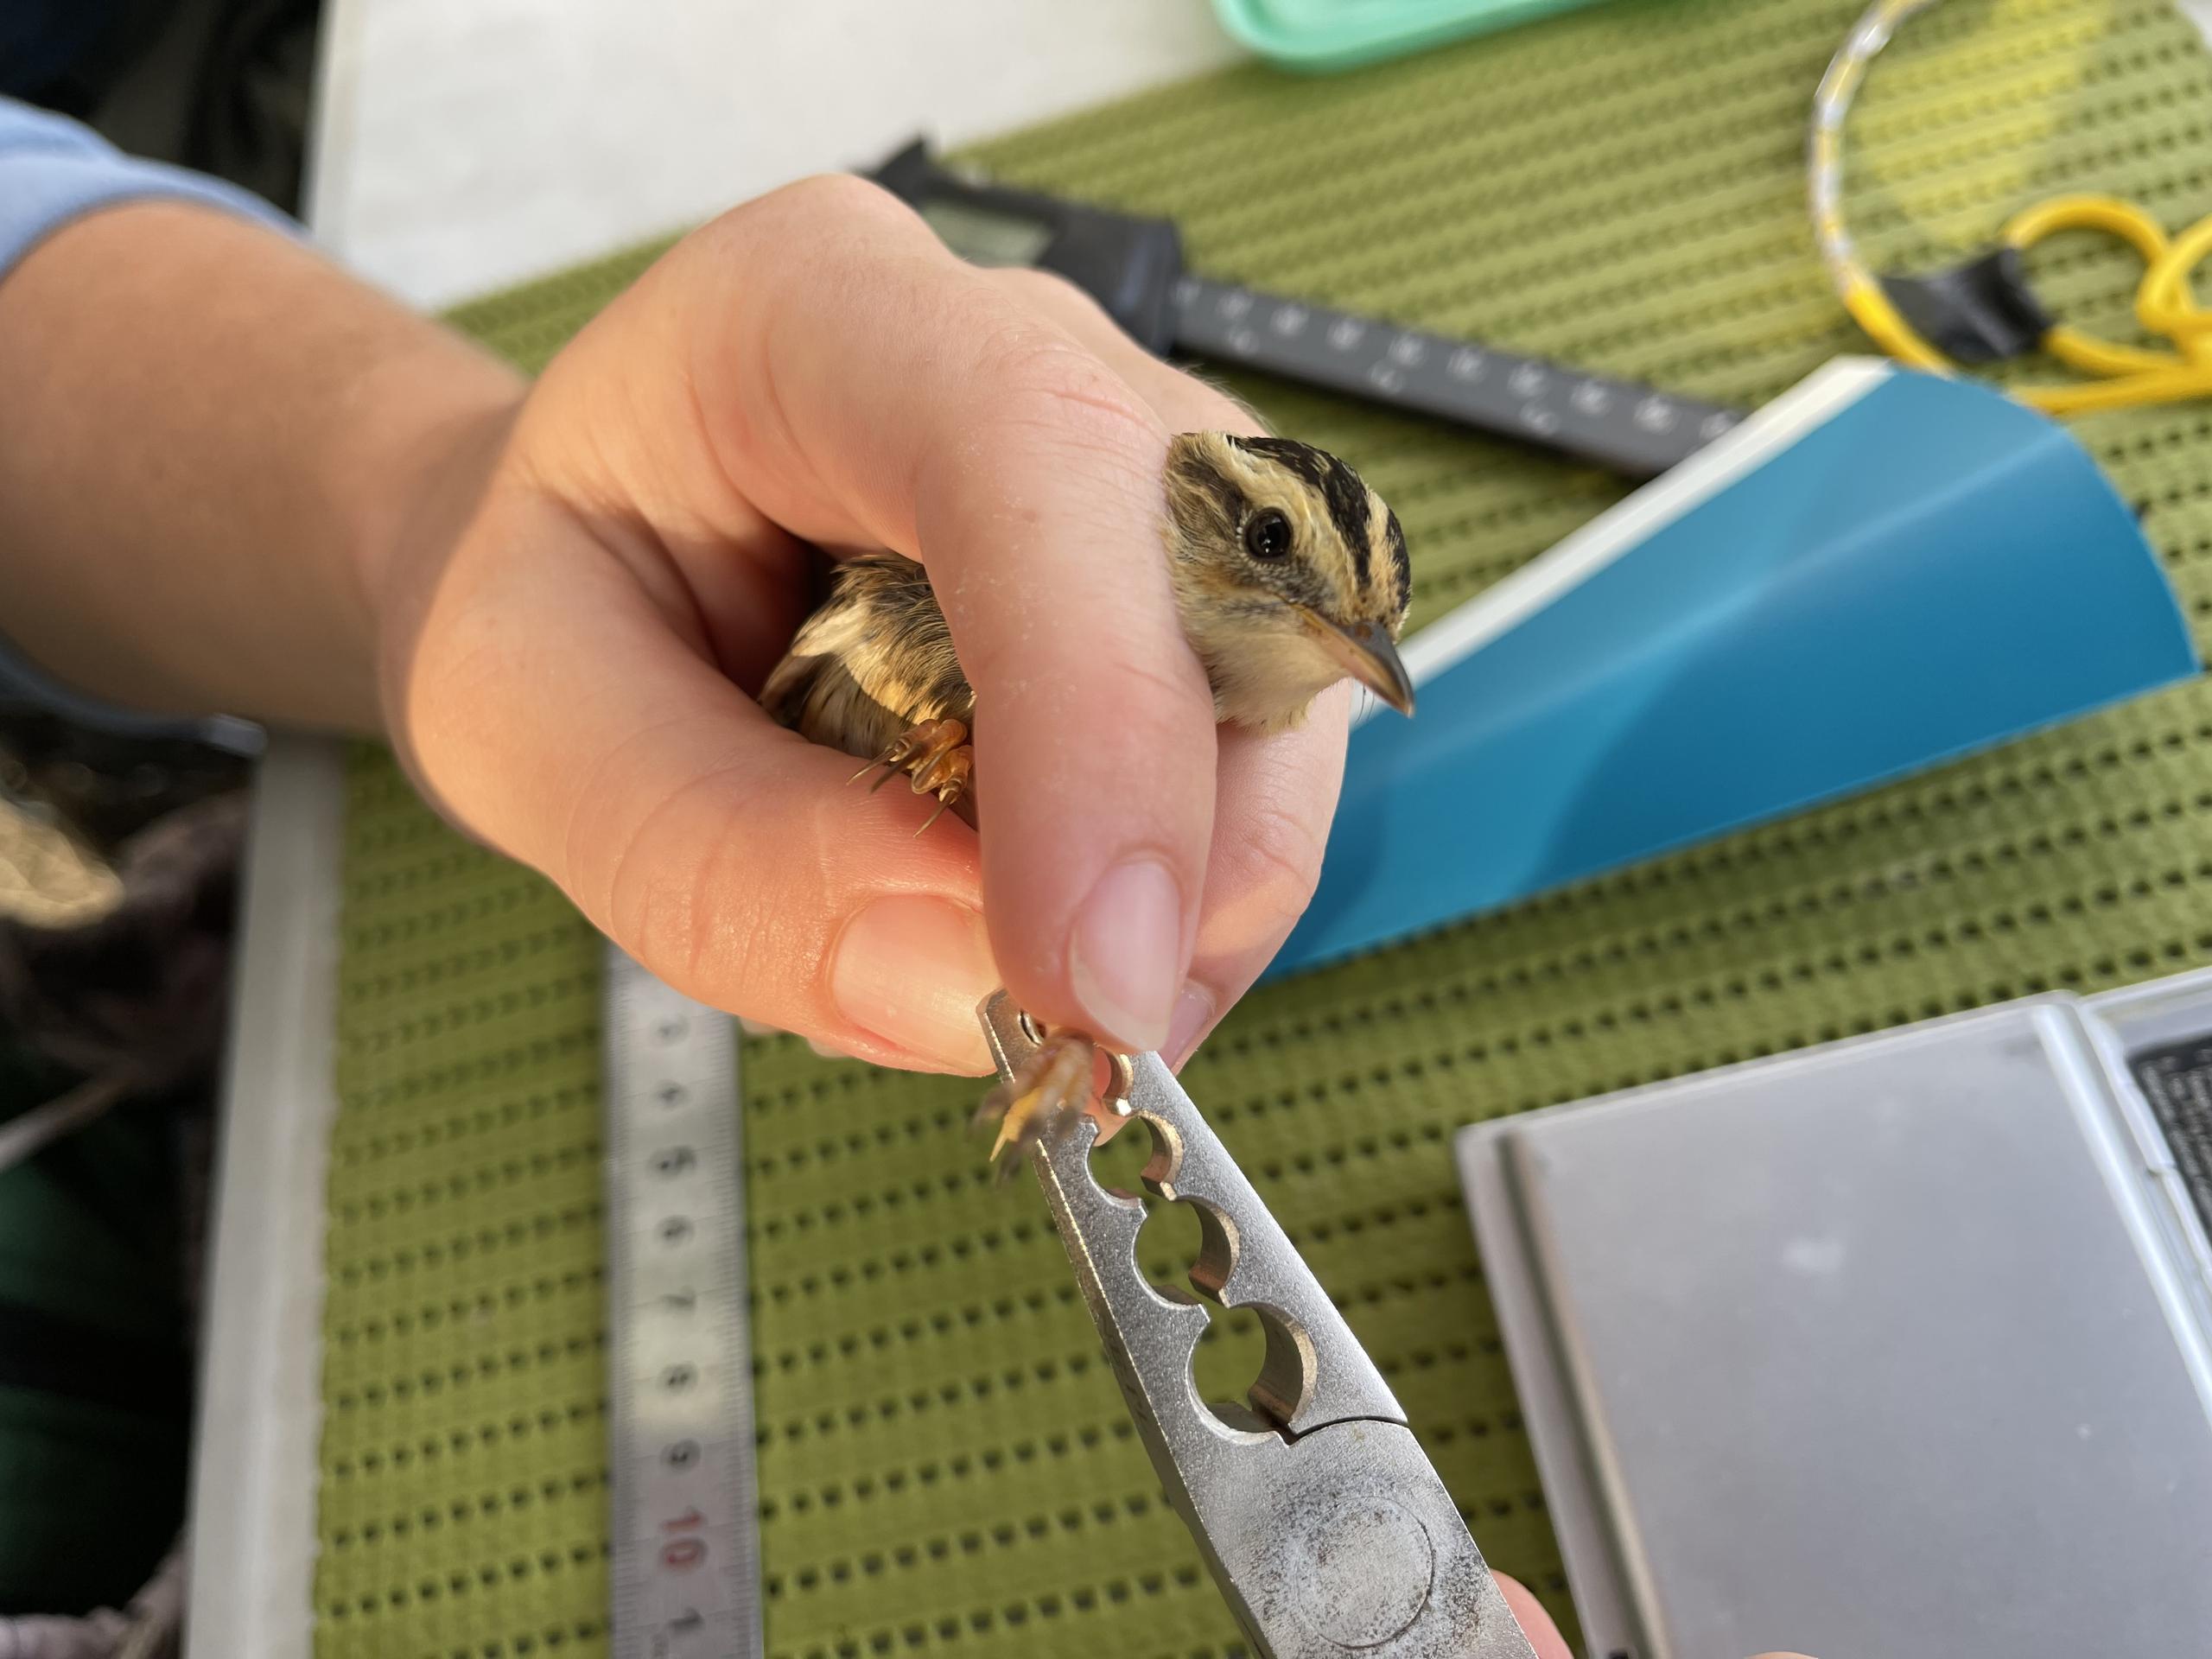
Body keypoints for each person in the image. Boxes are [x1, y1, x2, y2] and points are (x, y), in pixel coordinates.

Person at [0, 99, 1821, 1659]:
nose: (1330, 633)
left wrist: (435, 520)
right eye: (1272, 548)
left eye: (1359, 620)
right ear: (1193, 506)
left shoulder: (1198, 697)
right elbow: (836, 698)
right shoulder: (961, 659)